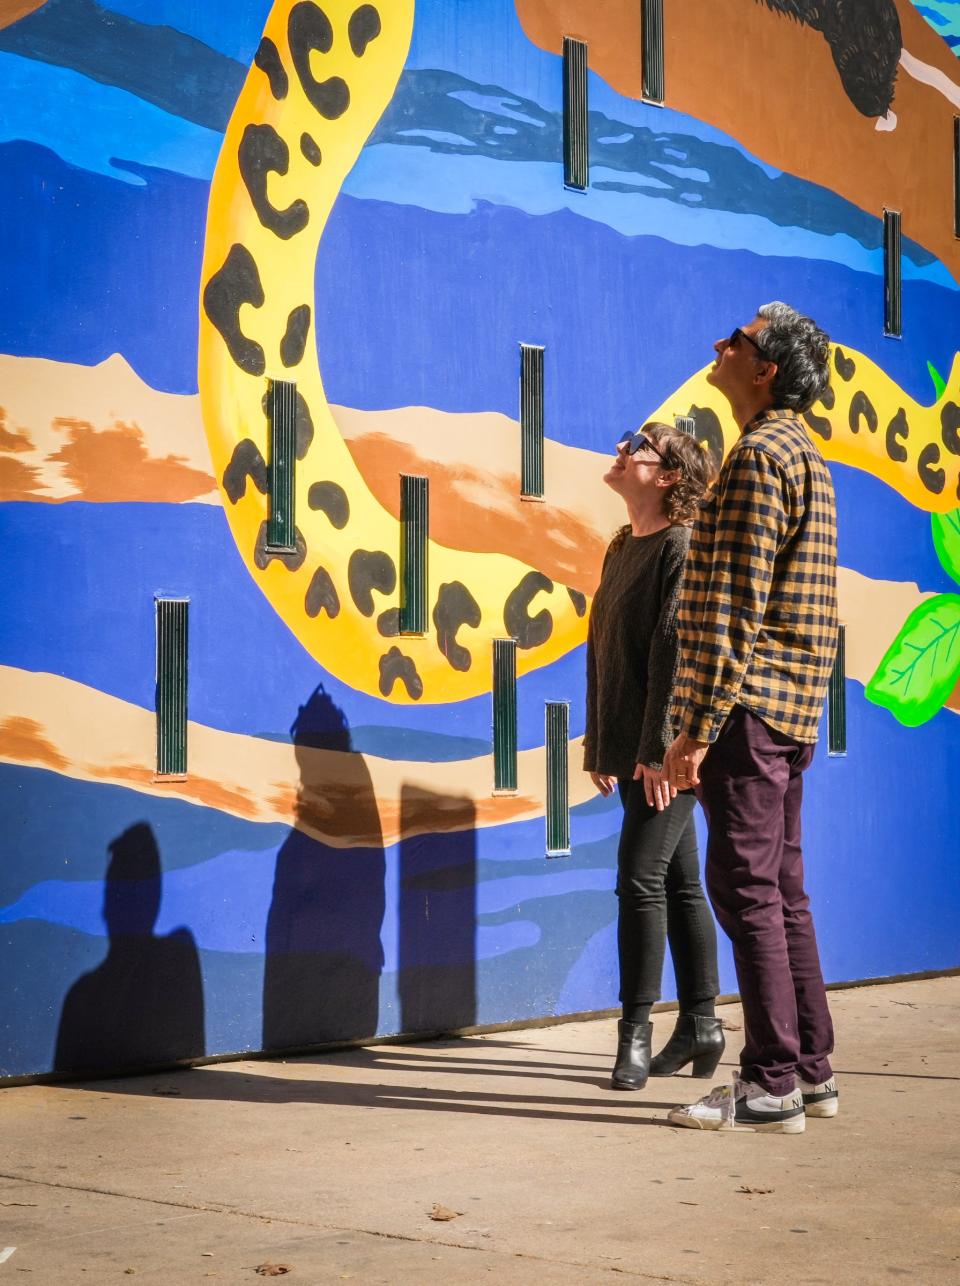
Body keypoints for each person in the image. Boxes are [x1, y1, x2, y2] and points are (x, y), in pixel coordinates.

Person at [662, 302, 839, 1134]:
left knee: (746, 892)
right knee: (783, 891)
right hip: (788, 707)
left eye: (734, 339)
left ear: (764, 368)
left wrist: (694, 726)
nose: (718, 344)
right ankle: (809, 1070)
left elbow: (734, 606)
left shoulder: (761, 456)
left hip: (749, 709)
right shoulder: (802, 452)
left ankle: (770, 1080)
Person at [583, 421, 722, 1092]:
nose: (620, 451)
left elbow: (675, 651)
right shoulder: (621, 548)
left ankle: (632, 1035)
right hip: (636, 744)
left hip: (669, 748)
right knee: (677, 882)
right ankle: (701, 1022)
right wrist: (598, 740)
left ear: (667, 476)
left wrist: (658, 749)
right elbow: (602, 648)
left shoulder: (680, 545)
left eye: (636, 447)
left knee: (638, 880)